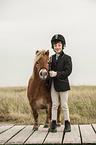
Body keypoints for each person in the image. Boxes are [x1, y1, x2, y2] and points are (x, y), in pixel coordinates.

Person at [49, 34, 72, 132]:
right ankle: (53, 123)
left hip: (63, 84)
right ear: (53, 47)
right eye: (55, 45)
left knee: (64, 104)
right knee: (54, 104)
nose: (57, 47)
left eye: (59, 45)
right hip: (53, 84)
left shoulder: (67, 58)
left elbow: (68, 71)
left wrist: (56, 73)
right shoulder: (51, 58)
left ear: (63, 46)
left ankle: (67, 123)